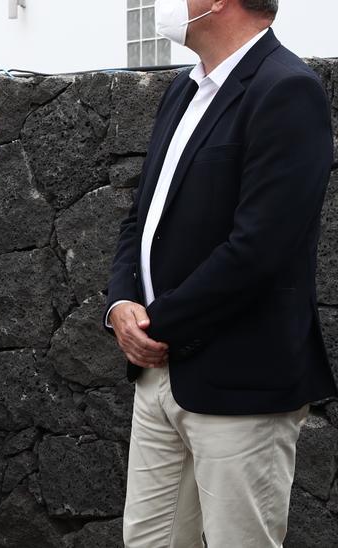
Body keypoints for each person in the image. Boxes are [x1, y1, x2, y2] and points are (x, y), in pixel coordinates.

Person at [104, 1, 336, 546]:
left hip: (241, 379)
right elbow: (141, 218)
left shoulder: (287, 89)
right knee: (149, 541)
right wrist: (119, 306)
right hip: (157, 372)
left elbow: (259, 249)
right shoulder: (183, 90)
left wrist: (156, 323)